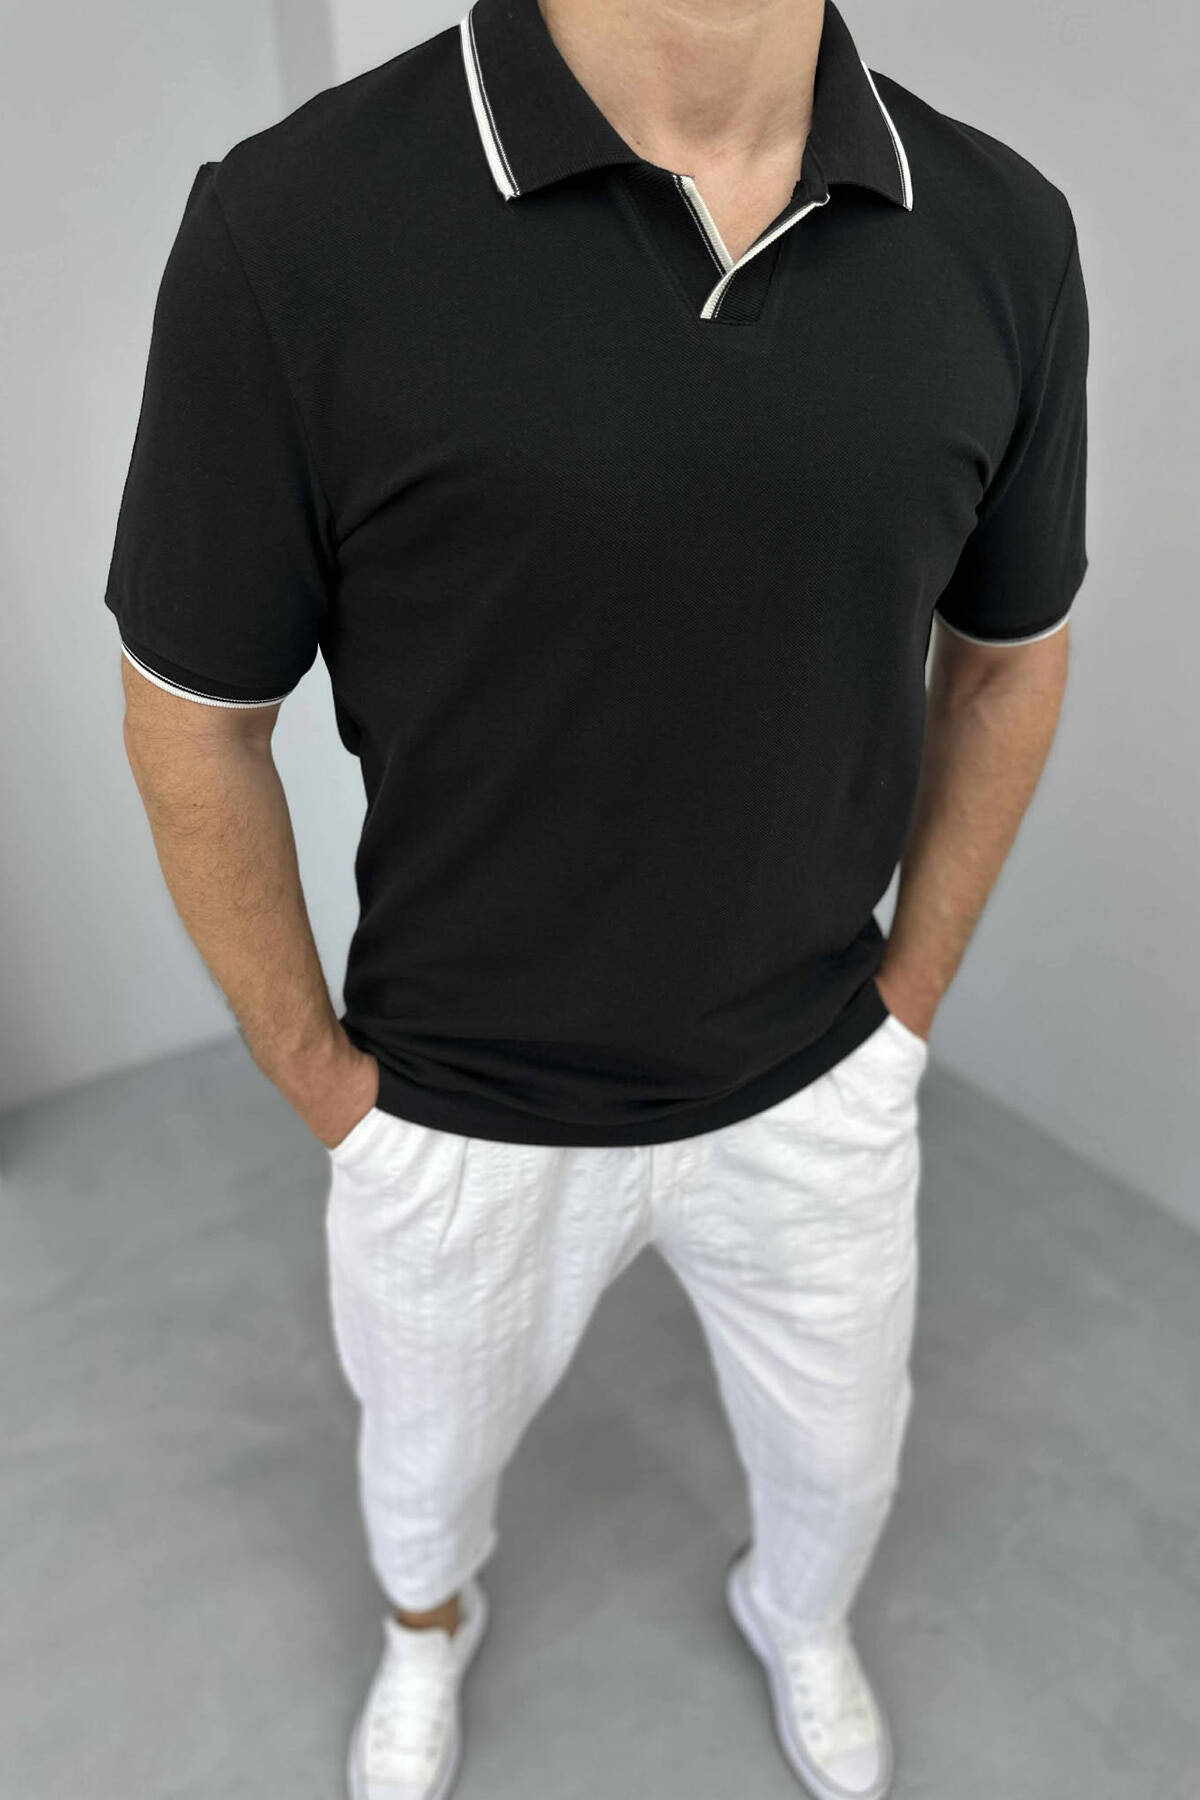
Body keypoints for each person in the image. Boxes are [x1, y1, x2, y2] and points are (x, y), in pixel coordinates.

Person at [103, 0, 1089, 1793]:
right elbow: (194, 716)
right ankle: (427, 1633)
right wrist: (328, 1088)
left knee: (843, 1462)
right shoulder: (295, 227)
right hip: (455, 1109)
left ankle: (798, 1616)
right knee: (423, 1476)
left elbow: (1010, 658)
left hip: (819, 1073)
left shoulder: (1002, 234)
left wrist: (907, 1013)